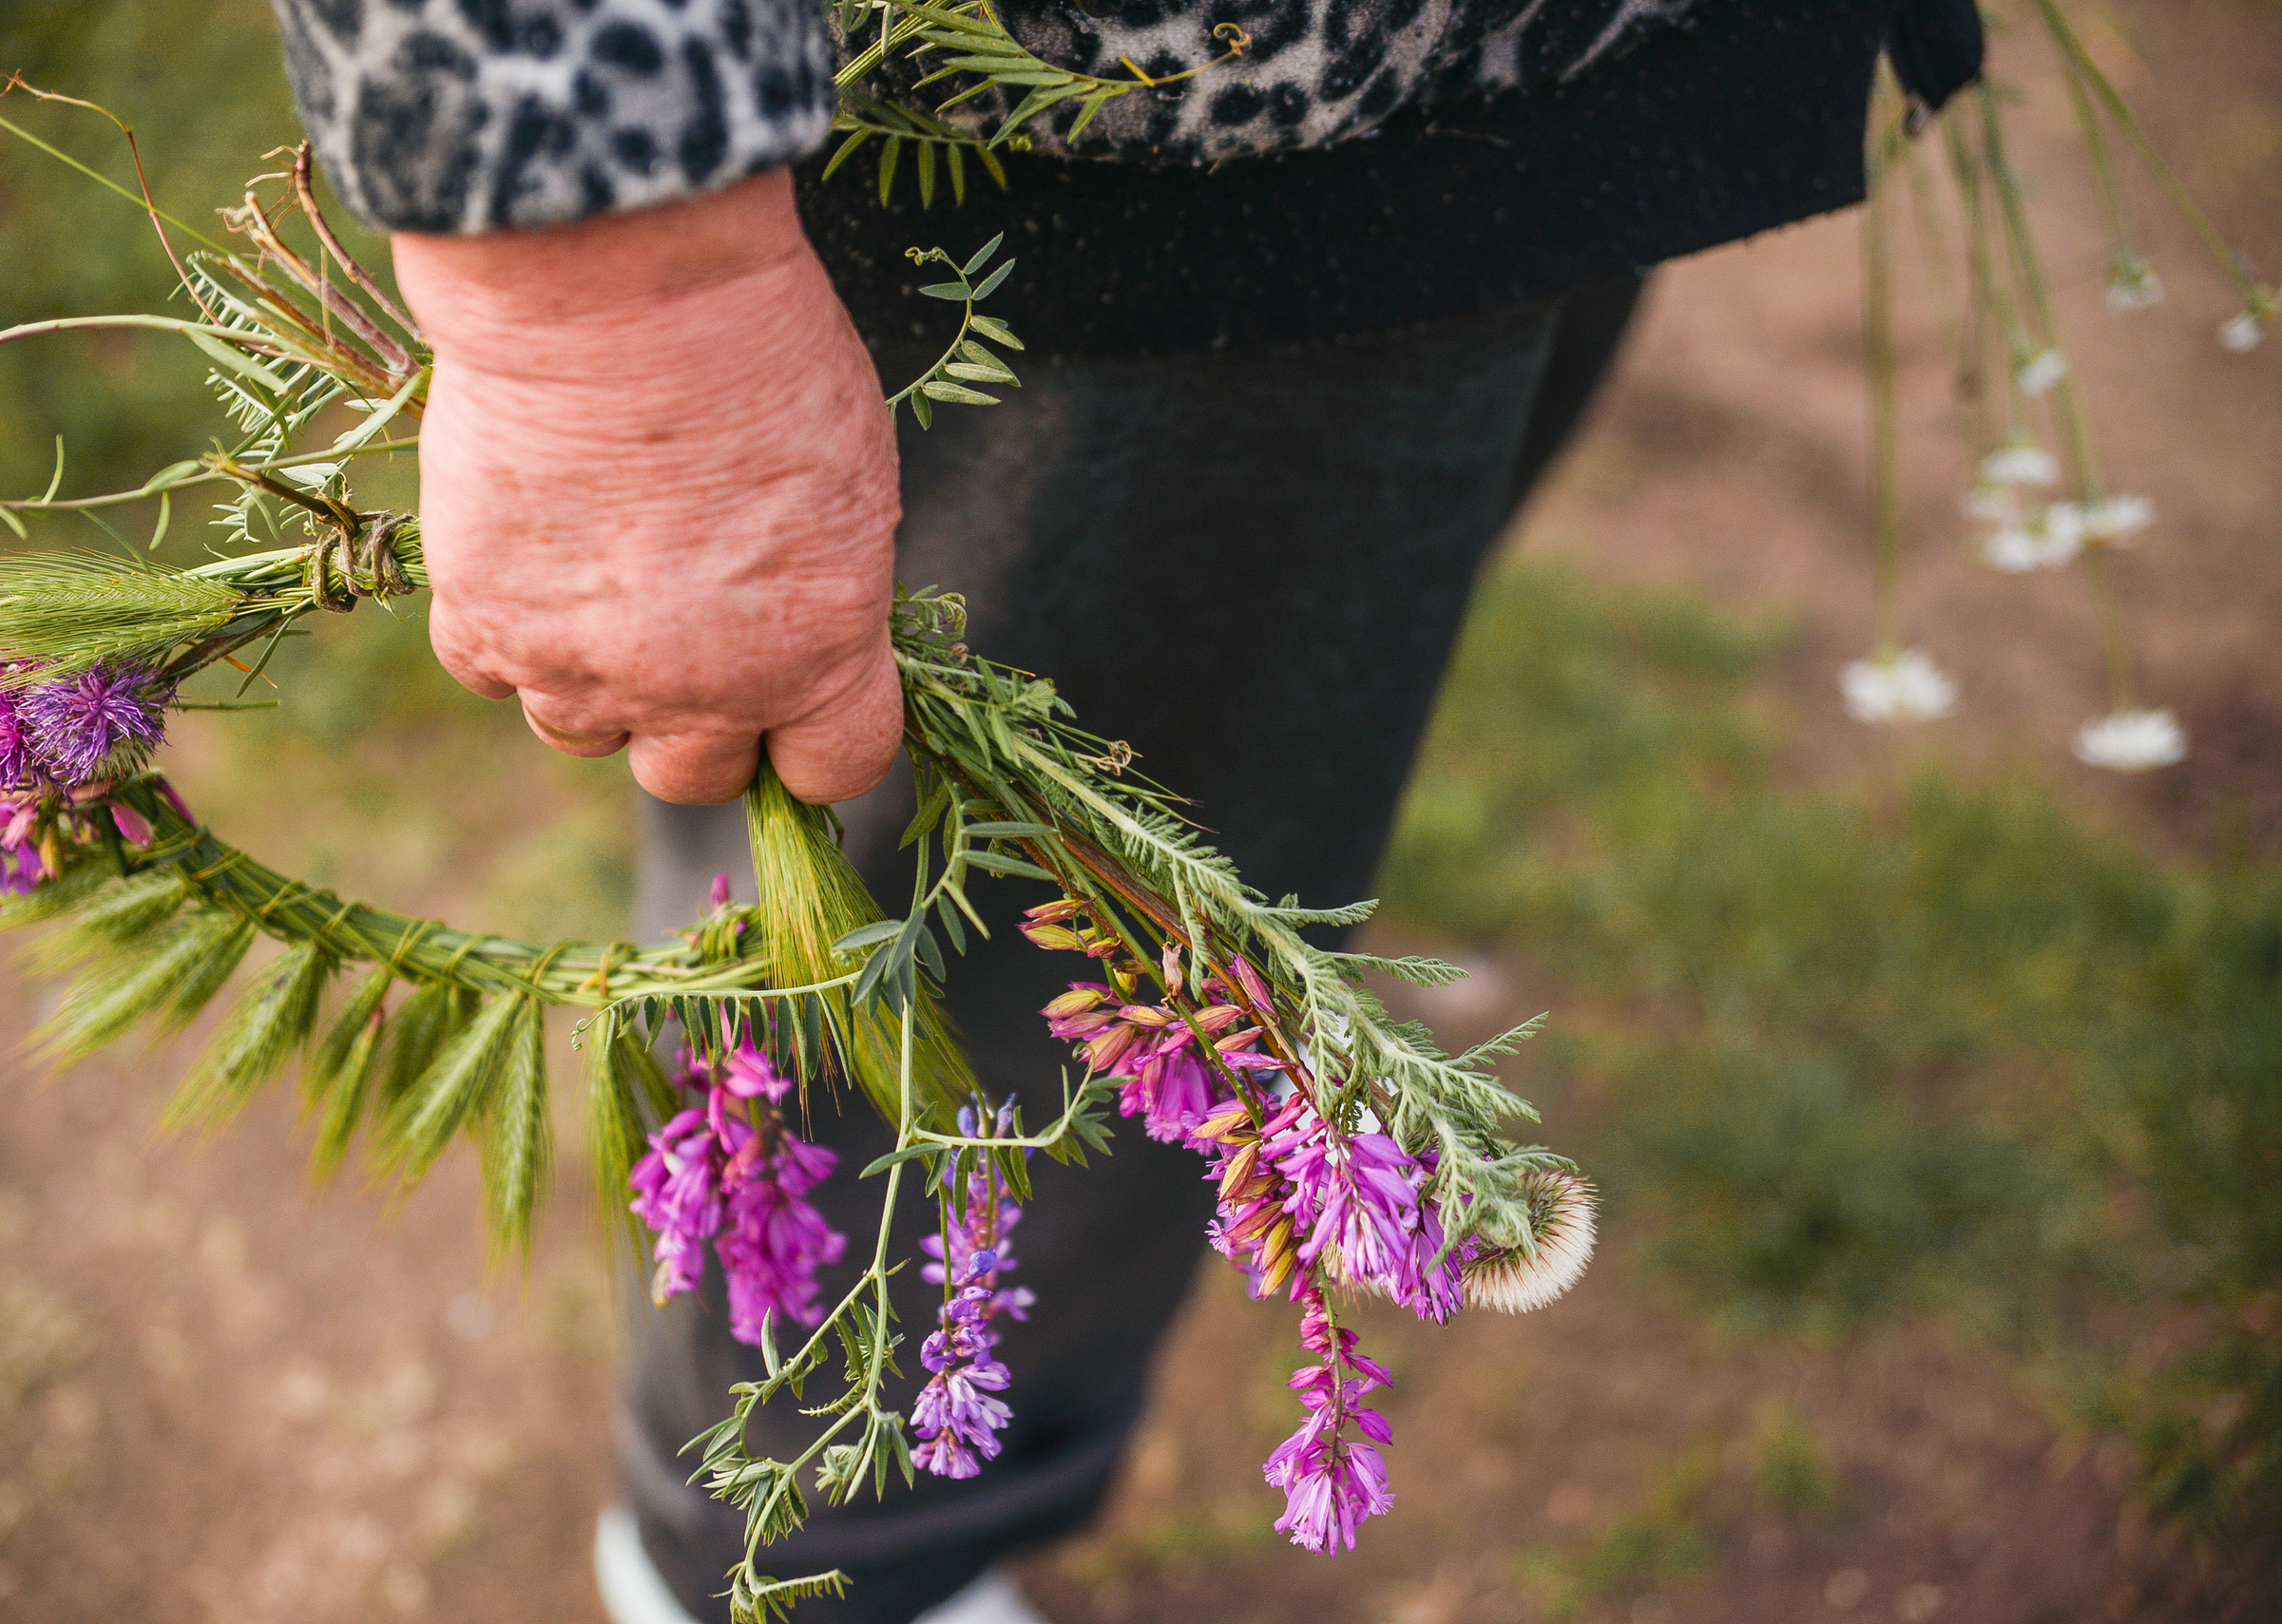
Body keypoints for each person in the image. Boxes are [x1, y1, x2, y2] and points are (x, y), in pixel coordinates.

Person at [265, 3, 1985, 1621]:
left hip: (1518, 82)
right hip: (1115, 148)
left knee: (1238, 802)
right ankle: (808, 1564)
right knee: (930, 1009)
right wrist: (599, 290)